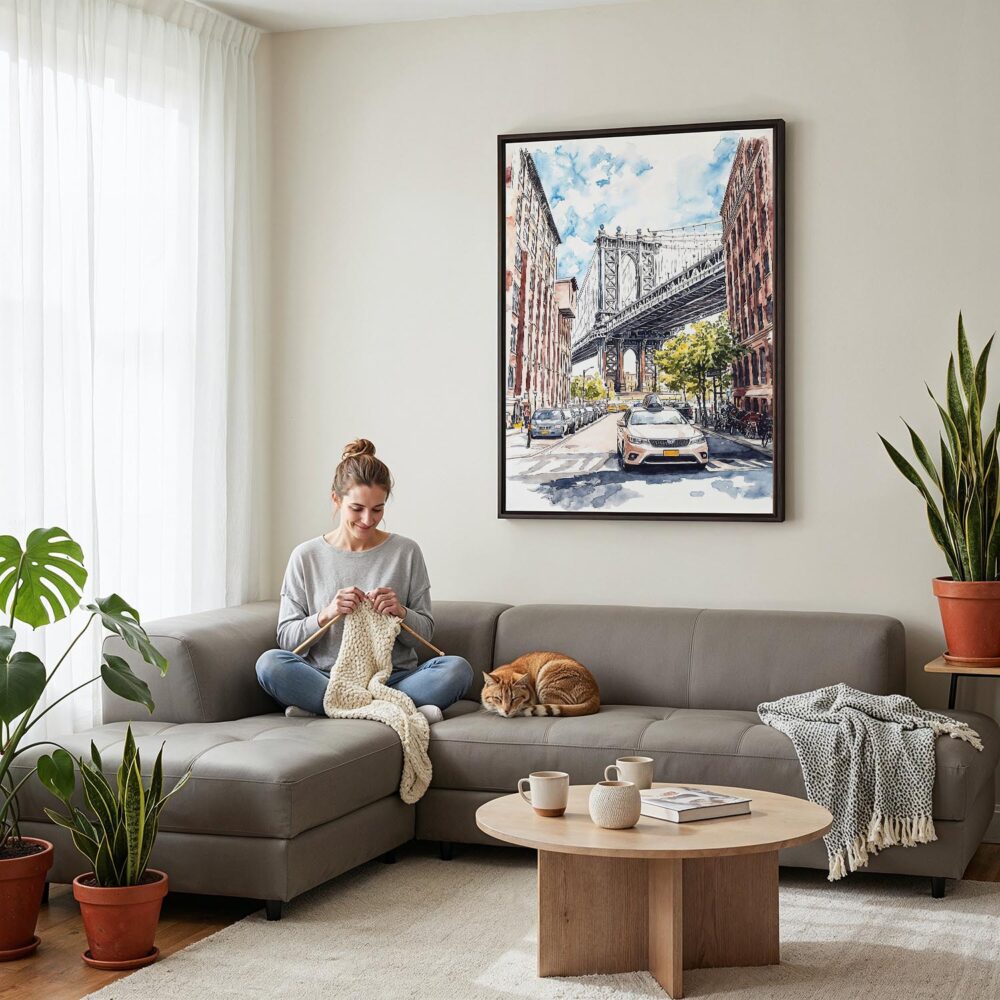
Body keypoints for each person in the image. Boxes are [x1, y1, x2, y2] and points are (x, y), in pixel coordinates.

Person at [255, 439, 474, 725]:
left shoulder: (406, 552)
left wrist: (401, 613)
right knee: (269, 664)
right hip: (328, 676)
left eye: (378, 509)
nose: (368, 520)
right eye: (357, 508)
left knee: (457, 670)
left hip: (392, 678)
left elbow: (426, 632)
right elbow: (287, 640)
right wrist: (327, 613)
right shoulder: (305, 556)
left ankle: (329, 706)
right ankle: (394, 709)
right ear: (336, 499)